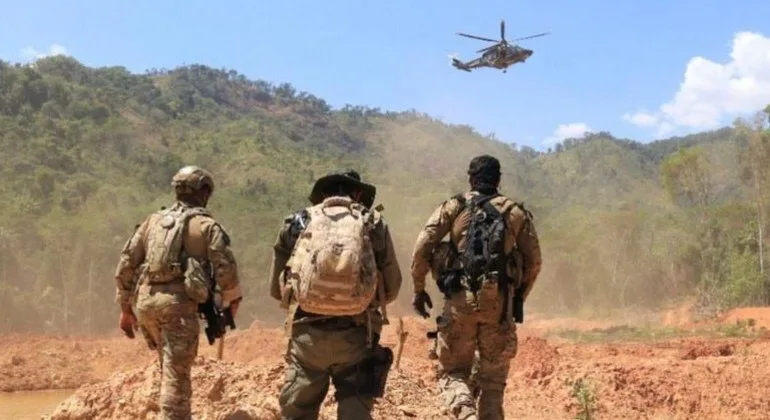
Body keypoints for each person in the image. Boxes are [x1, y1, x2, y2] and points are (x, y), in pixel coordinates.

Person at [410, 155, 542, 420]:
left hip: (459, 302)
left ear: (471, 178)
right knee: (493, 382)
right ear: (498, 180)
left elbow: (423, 246)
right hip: (498, 304)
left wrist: (419, 288)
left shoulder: (454, 206)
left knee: (454, 373)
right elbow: (534, 262)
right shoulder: (515, 212)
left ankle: (466, 415)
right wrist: (516, 298)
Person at [270, 170, 402, 420]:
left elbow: (278, 290)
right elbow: (392, 288)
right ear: (358, 194)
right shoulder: (373, 224)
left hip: (307, 337)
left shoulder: (297, 222)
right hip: (357, 337)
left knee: (298, 412)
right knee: (354, 411)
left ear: (321, 195)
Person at [114, 165, 243, 420]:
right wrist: (232, 301)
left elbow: (126, 264)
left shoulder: (152, 222)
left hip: (146, 304)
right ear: (204, 191)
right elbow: (226, 269)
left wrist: (125, 309)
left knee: (169, 366)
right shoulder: (206, 226)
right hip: (178, 308)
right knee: (177, 378)